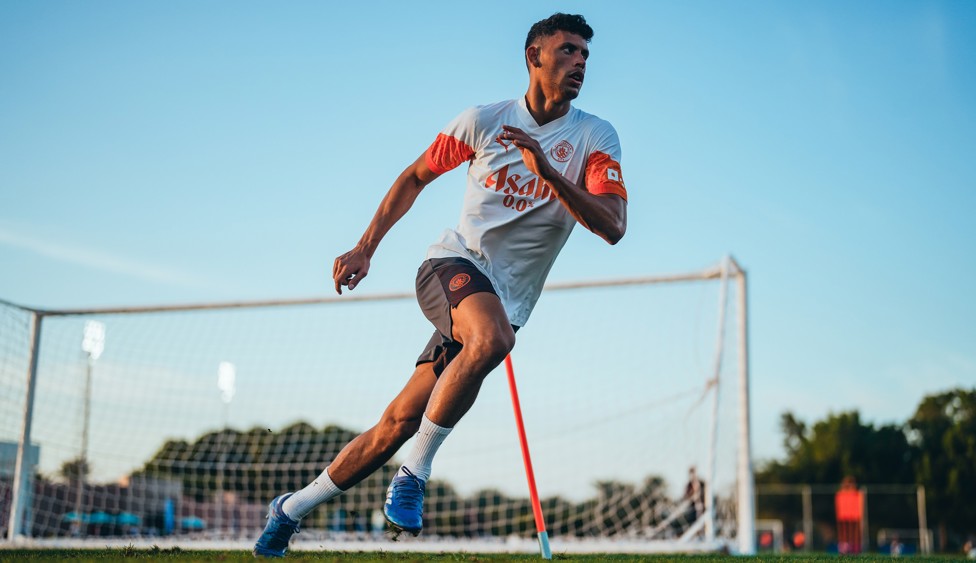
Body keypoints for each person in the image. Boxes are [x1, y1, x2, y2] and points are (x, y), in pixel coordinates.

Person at [253, 12, 628, 557]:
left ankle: (290, 509)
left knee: (398, 421)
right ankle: (414, 474)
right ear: (534, 56)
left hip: (500, 302)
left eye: (586, 55)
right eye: (568, 50)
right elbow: (414, 176)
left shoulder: (595, 136)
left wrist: (548, 170)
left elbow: (612, 226)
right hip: (453, 265)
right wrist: (365, 246)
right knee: (494, 340)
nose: (580, 62)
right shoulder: (483, 121)